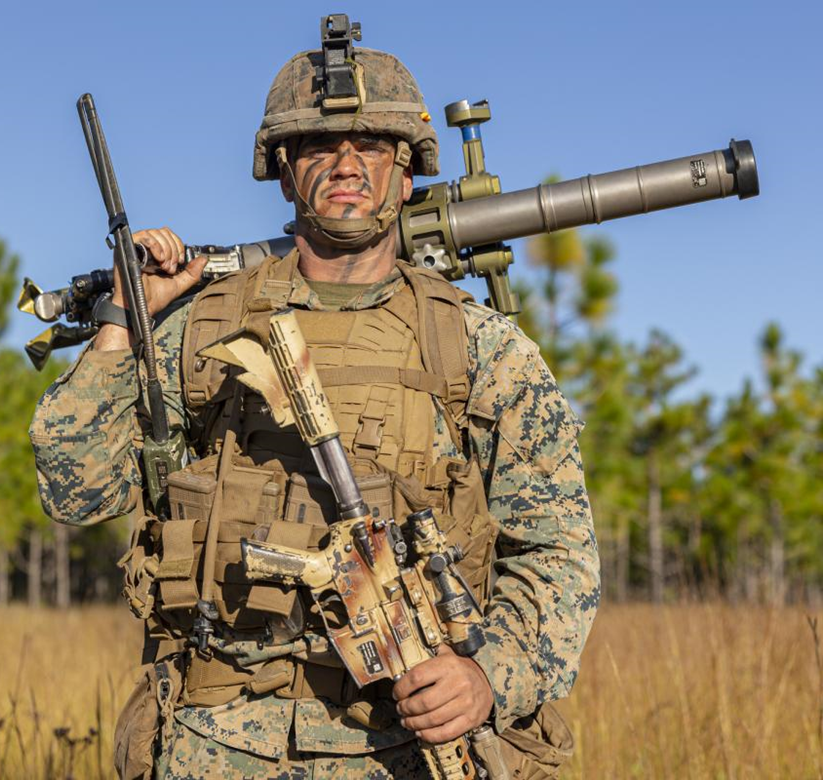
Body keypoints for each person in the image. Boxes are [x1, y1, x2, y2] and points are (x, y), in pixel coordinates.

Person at [29, 19, 599, 780]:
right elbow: (76, 492)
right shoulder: (205, 328)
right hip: (214, 746)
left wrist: (488, 675)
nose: (346, 164)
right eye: (318, 147)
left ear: (406, 174)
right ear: (284, 171)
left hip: (406, 745)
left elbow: (559, 554)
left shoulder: (479, 349)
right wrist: (123, 324)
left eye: (373, 147)